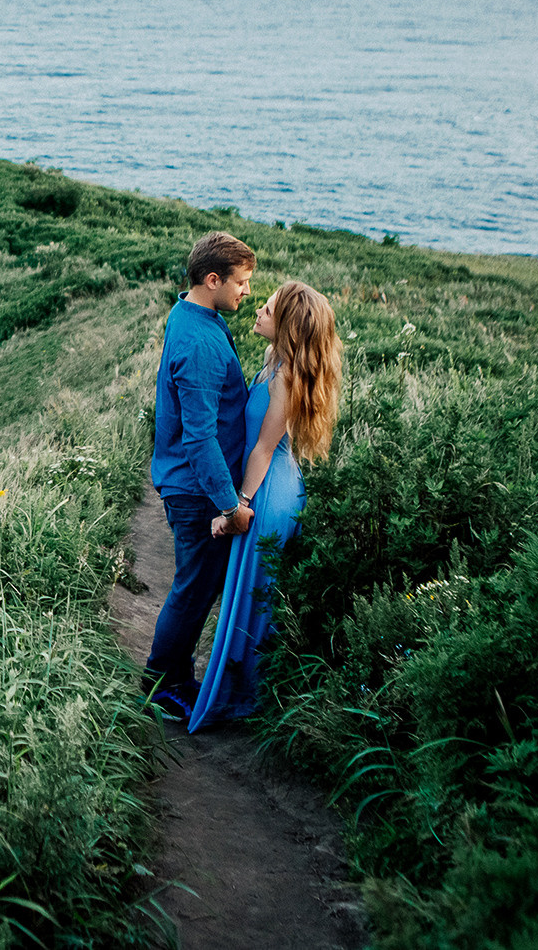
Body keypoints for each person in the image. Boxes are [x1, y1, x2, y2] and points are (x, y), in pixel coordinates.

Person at [185, 280, 344, 730]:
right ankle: (241, 693)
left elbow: (262, 449)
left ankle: (246, 701)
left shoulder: (286, 376)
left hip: (267, 492)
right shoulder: (276, 358)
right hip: (269, 485)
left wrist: (236, 508)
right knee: (247, 595)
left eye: (269, 309)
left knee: (253, 601)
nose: (258, 310)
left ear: (288, 327)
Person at [143, 231, 257, 718]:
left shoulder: (189, 312)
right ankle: (162, 685)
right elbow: (200, 438)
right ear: (213, 280)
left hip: (190, 483)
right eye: (241, 282)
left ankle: (175, 679)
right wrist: (230, 506)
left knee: (196, 588)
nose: (247, 291)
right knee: (193, 591)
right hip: (197, 491)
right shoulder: (201, 343)